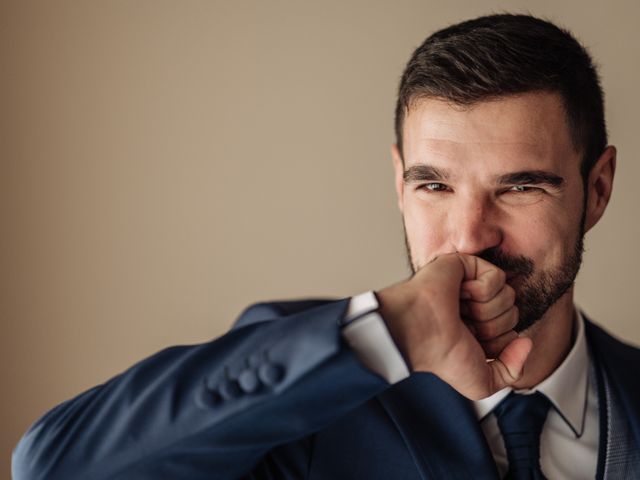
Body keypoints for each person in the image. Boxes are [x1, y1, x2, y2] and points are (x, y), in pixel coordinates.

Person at [12, 13, 640, 480]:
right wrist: (397, 329)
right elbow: (52, 467)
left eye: (520, 186)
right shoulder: (307, 391)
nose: (469, 234)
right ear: (399, 183)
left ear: (598, 189)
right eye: (434, 185)